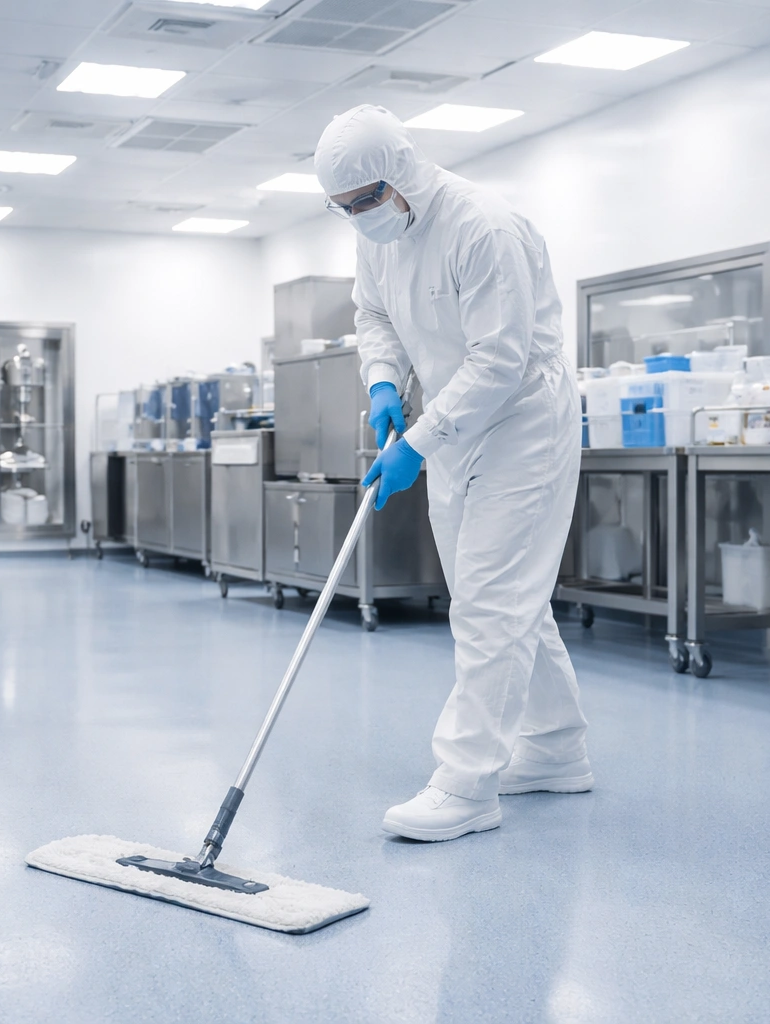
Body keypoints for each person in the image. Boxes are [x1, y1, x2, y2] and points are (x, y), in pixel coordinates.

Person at [314, 105, 591, 843]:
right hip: (453, 423)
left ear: (400, 174)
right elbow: (373, 315)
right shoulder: (379, 237)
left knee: (490, 602)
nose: (358, 218)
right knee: (488, 591)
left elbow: (500, 362)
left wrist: (419, 443)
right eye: (342, 209)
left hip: (523, 421)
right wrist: (381, 383)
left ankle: (467, 785)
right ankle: (557, 748)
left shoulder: (483, 227)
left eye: (365, 200)